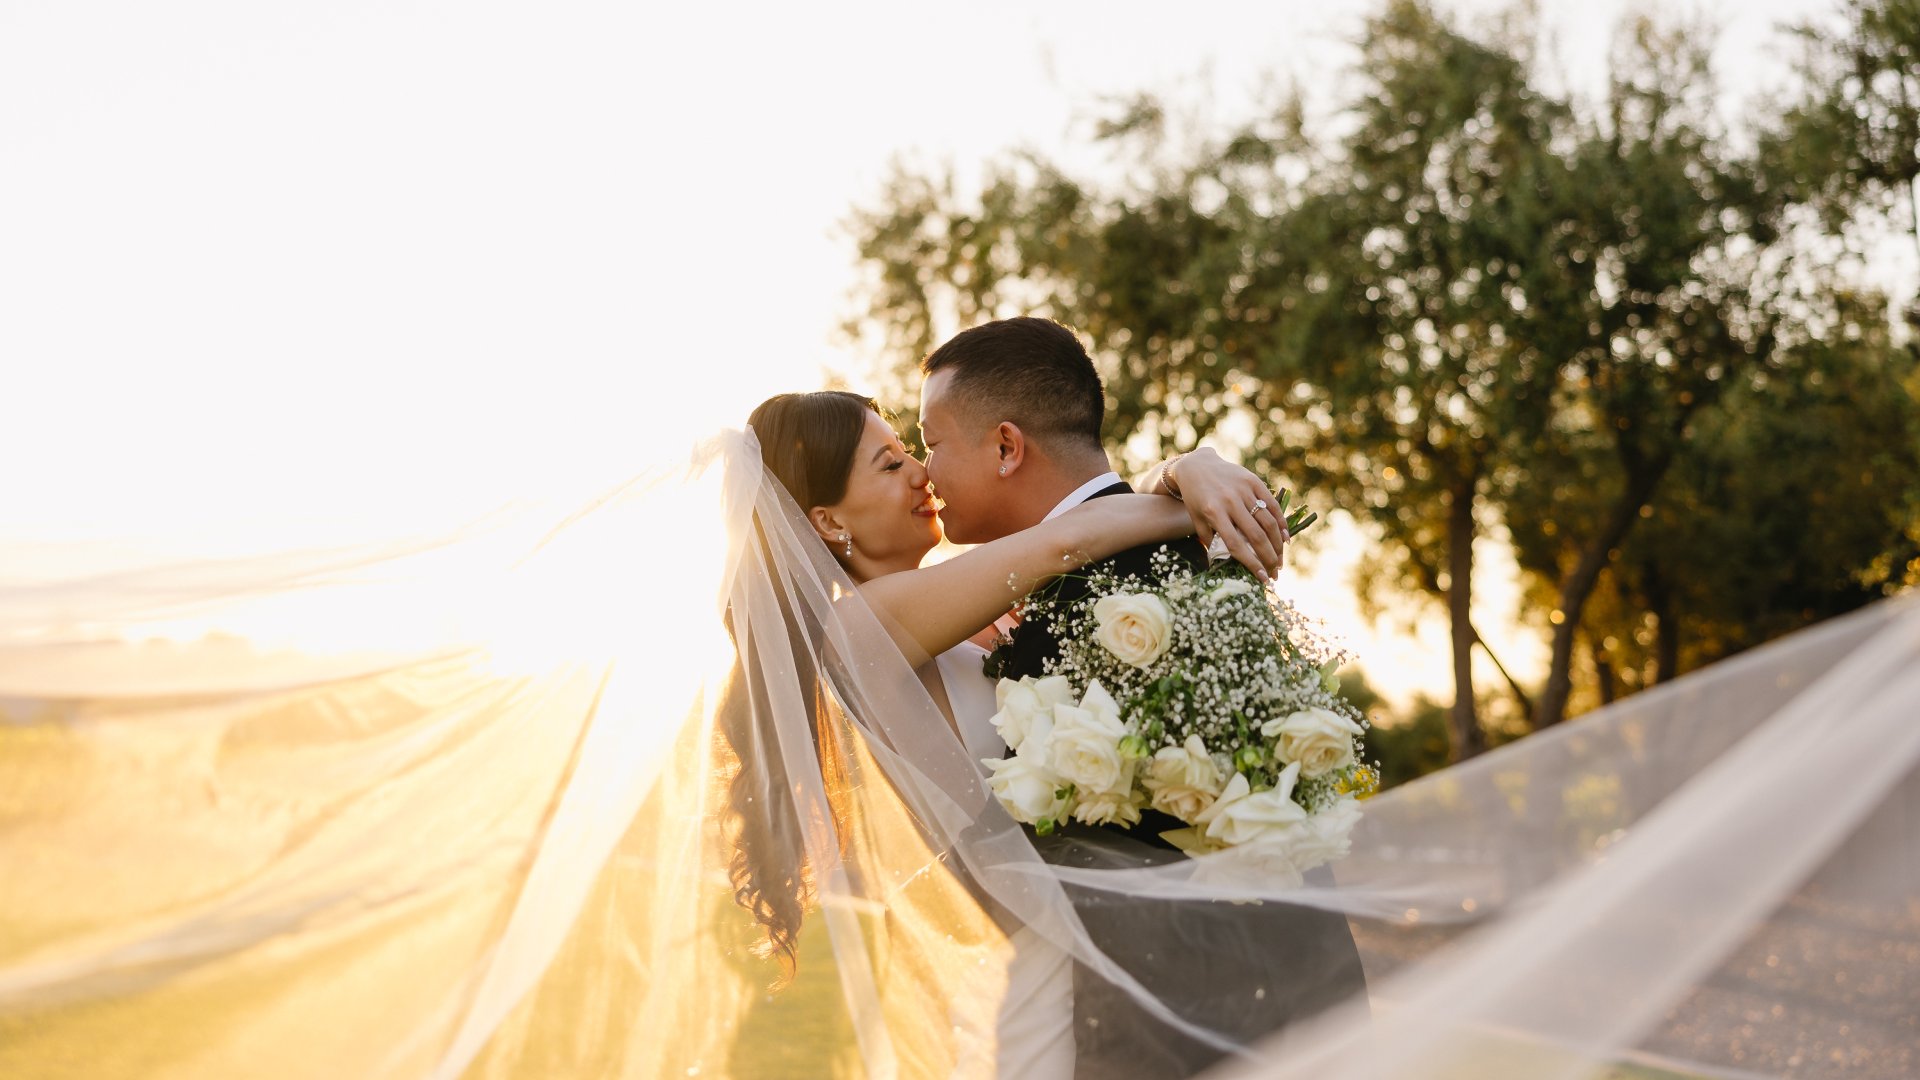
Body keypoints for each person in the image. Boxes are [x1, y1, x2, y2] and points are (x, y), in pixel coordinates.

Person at [738, 385, 1293, 1077]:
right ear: (826, 521)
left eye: (911, 451)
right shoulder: (860, 627)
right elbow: (1065, 539)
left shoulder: (952, 610)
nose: (921, 472)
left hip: (1088, 958)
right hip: (1045, 979)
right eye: (887, 465)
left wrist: (1187, 469)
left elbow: (1072, 538)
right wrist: (1193, 483)